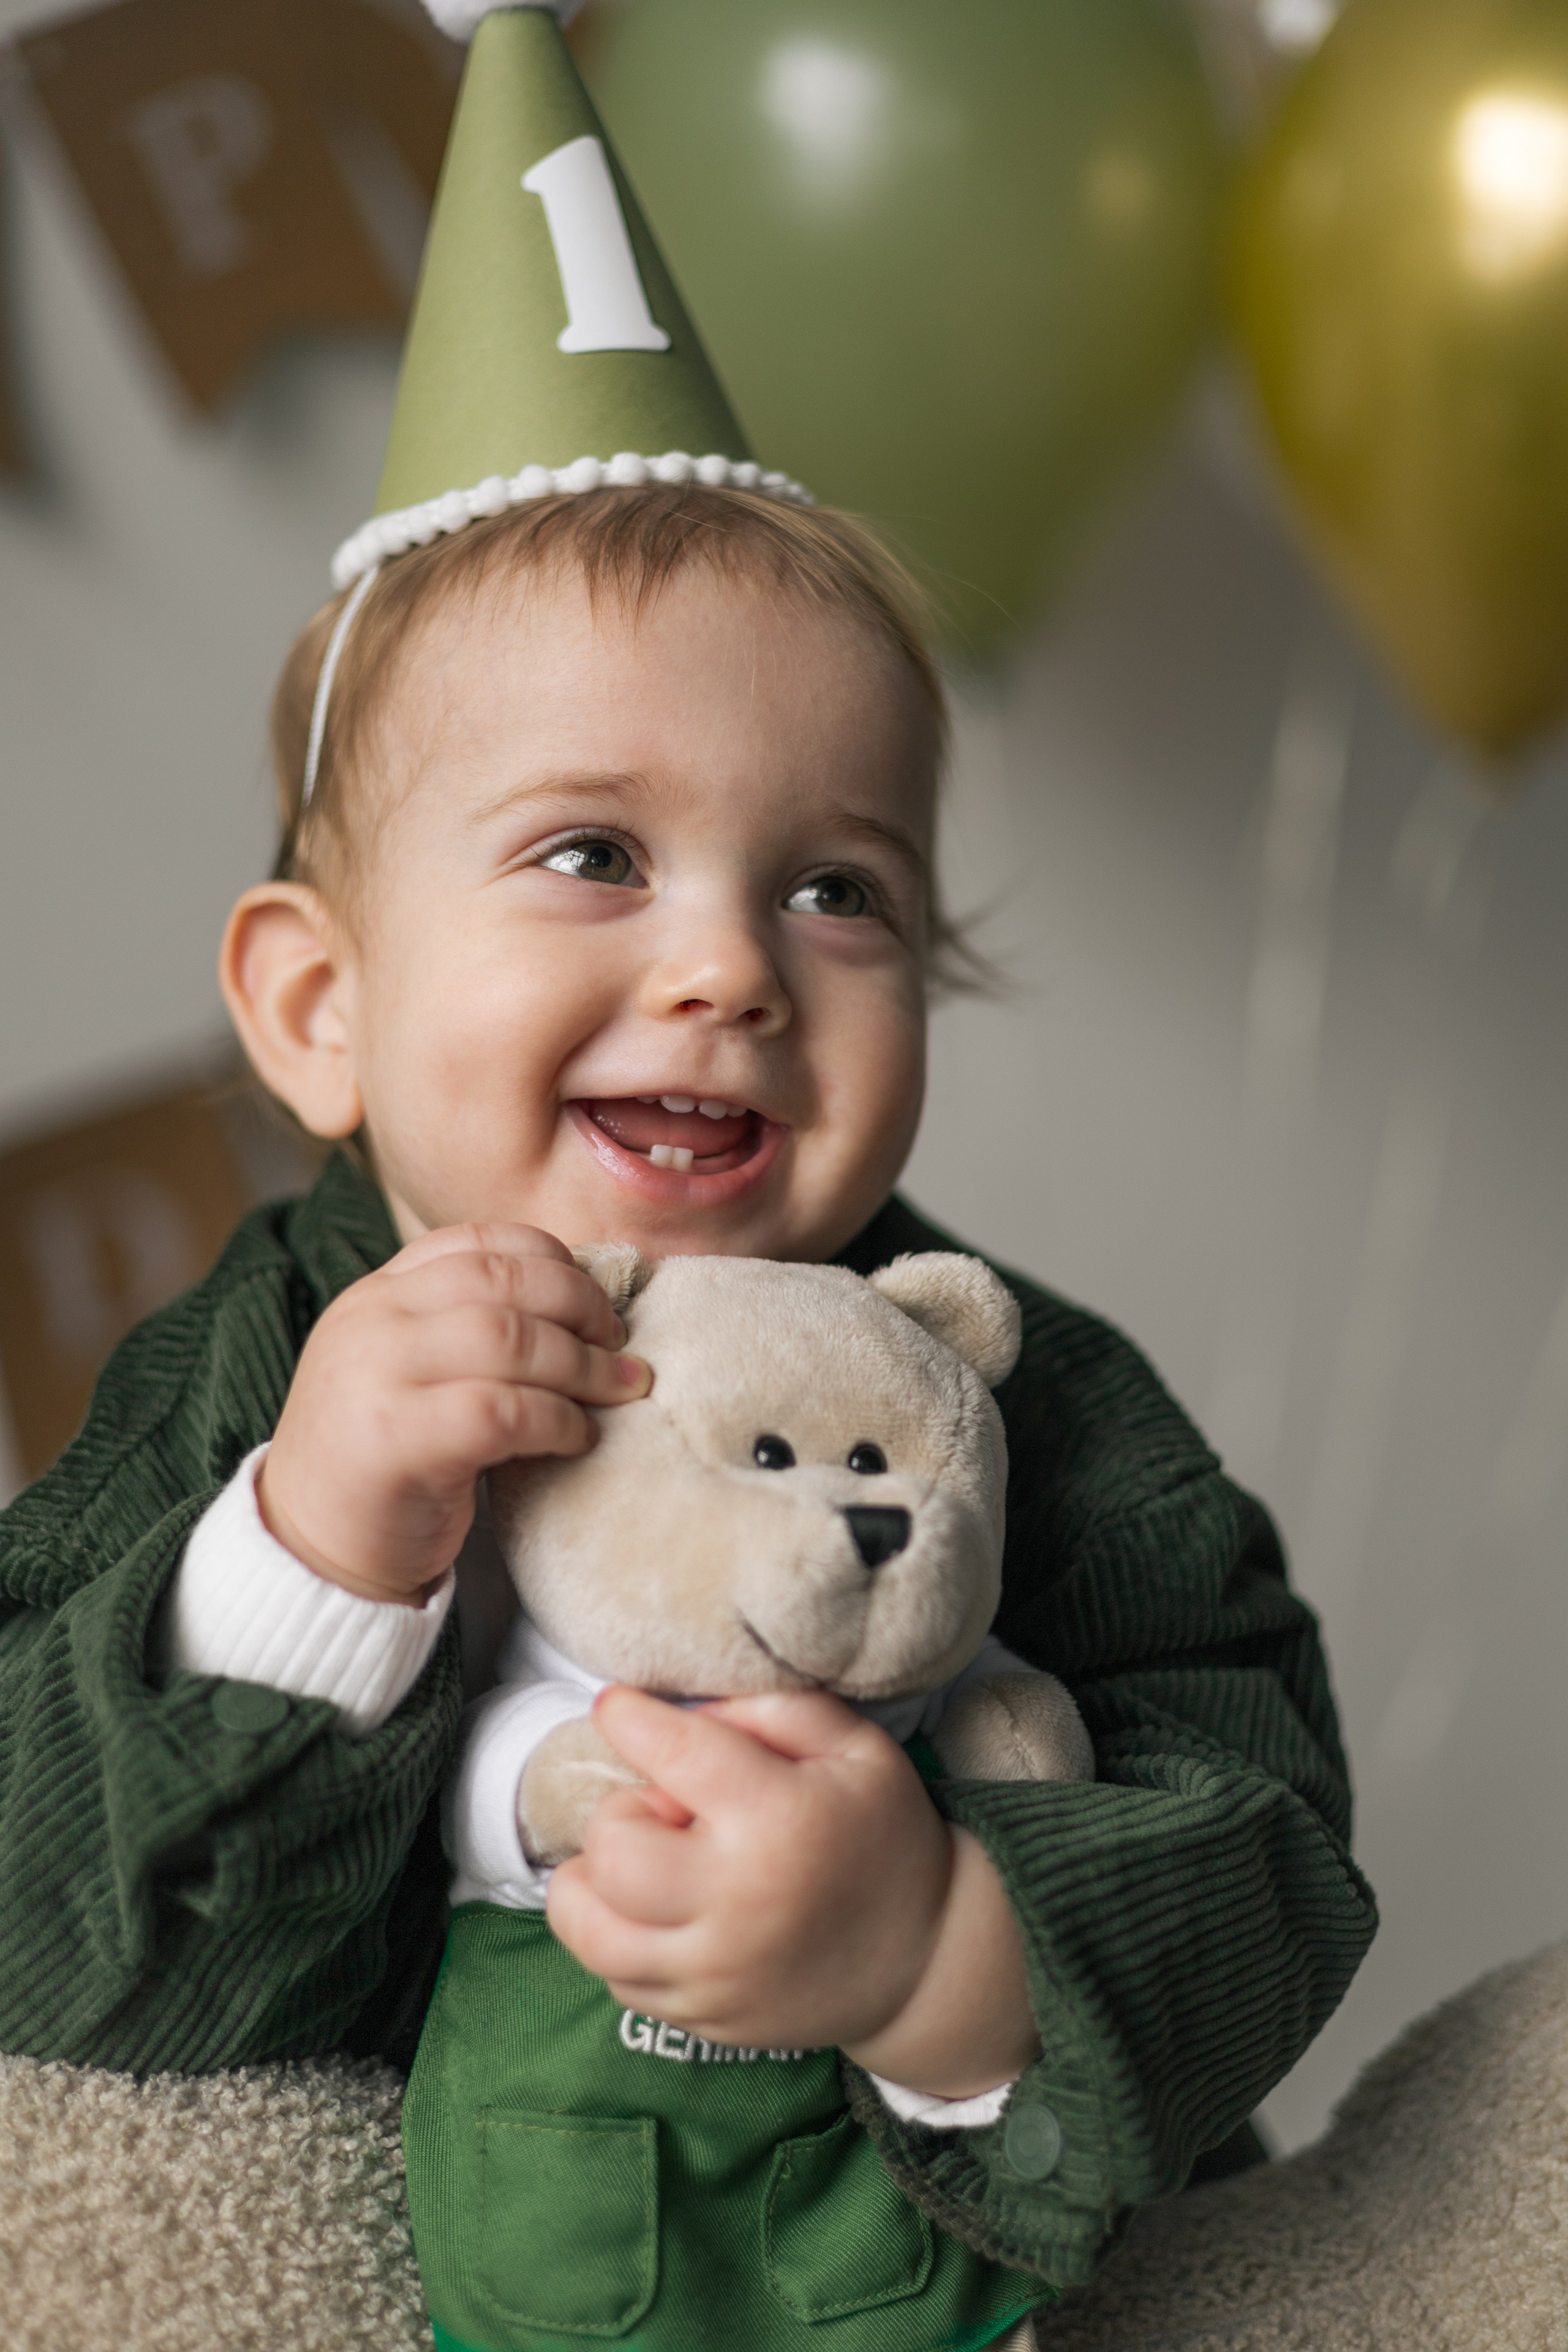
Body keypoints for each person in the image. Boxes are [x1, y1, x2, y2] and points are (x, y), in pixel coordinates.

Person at [0, 8, 1375, 2349]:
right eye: (592, 854)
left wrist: (941, 1956)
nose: (733, 962)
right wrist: (307, 1565)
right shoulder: (264, 1366)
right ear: (318, 1007)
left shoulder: (1004, 1389)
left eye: (840, 889)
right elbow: (48, 1913)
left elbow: (1264, 1809)